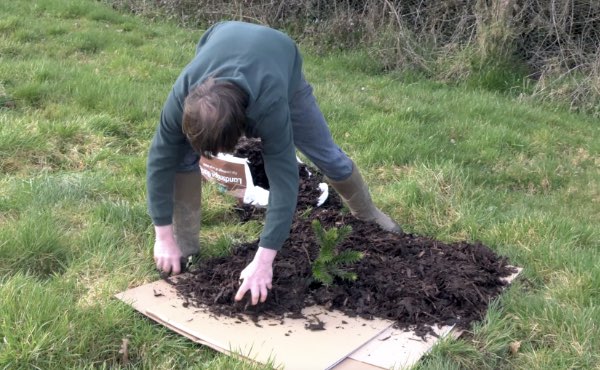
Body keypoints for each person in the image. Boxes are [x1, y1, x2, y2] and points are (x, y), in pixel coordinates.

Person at [147, 21, 402, 306]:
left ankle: (368, 214)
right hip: (221, 37)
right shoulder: (183, 97)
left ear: (244, 129)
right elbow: (158, 162)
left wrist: (264, 259)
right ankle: (183, 246)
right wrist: (162, 235)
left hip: (281, 62)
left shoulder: (270, 108)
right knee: (181, 158)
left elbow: (284, 181)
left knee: (326, 154)